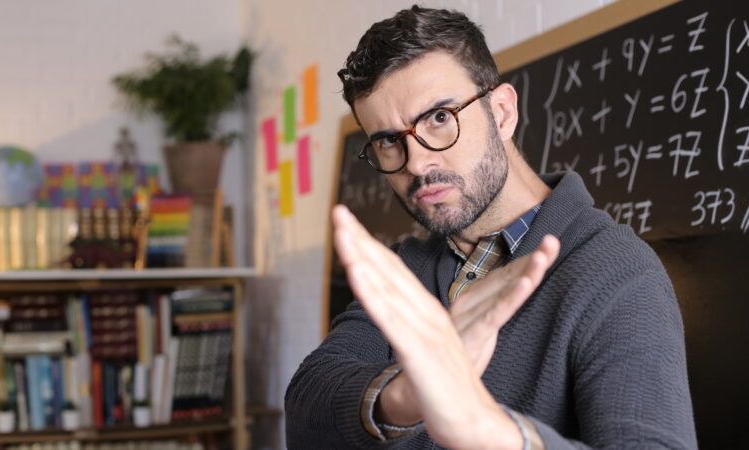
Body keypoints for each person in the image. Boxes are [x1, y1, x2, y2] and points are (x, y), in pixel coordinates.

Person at [285, 5, 696, 449]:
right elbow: (306, 412)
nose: (418, 163)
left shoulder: (616, 272)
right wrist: (409, 396)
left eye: (439, 117)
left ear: (500, 113)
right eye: (388, 141)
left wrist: (488, 430)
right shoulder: (408, 268)